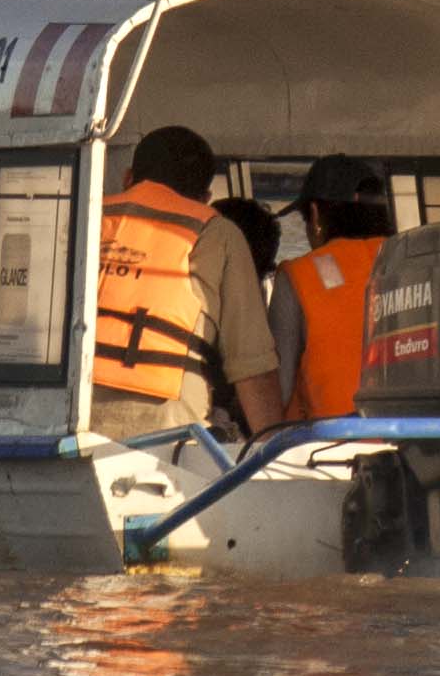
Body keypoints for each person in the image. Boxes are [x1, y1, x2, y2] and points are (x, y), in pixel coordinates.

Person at [86, 124, 290, 441]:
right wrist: (273, 456)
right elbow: (252, 364)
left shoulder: (81, 218)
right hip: (166, 431)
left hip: (72, 418)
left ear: (128, 179)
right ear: (205, 199)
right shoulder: (218, 234)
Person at [270, 151, 397, 421]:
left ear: (315, 215)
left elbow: (276, 391)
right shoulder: (415, 262)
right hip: (416, 444)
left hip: (328, 450)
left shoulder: (301, 275)